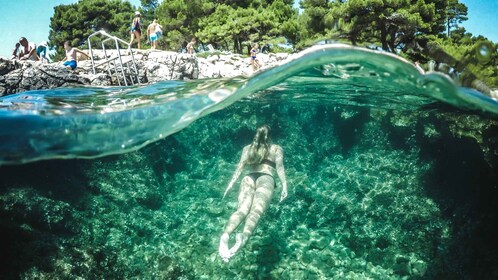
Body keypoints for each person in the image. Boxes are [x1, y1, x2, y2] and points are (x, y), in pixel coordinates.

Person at [219, 125, 288, 262]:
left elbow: (239, 169)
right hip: (265, 178)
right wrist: (284, 185)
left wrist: (230, 185)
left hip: (248, 178)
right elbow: (279, 168)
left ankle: (225, 236)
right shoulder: (276, 148)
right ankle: (243, 237)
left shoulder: (247, 148)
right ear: (271, 136)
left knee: (242, 210)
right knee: (255, 212)